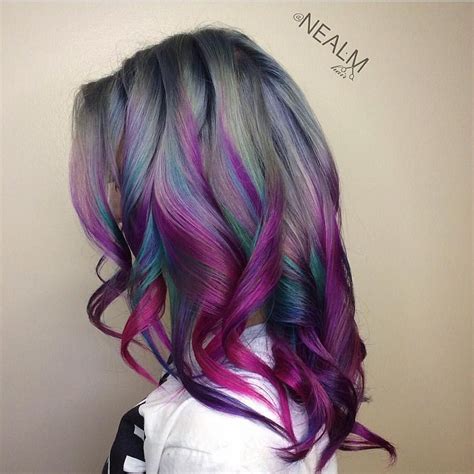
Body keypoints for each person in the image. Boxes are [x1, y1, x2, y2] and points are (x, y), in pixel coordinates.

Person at [68, 25, 397, 473]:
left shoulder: (219, 445)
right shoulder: (264, 366)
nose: (115, 207)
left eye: (124, 179)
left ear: (196, 198)